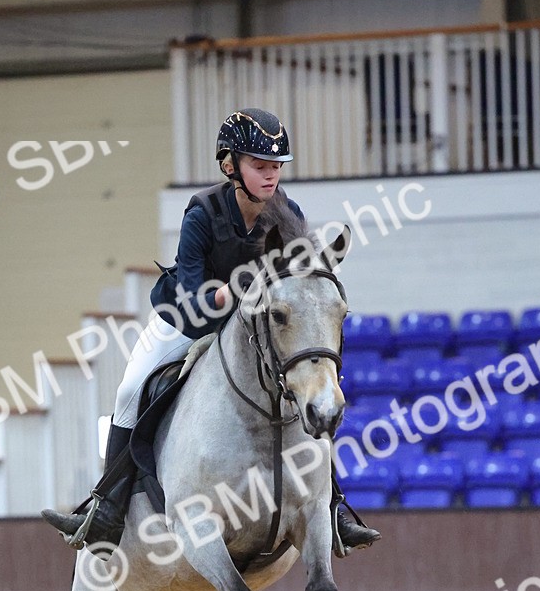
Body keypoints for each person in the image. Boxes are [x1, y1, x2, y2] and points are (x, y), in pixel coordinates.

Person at [43, 108, 380, 556]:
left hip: (249, 327)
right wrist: (236, 291)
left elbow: (296, 280)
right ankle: (108, 506)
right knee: (130, 388)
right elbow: (189, 293)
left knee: (312, 389)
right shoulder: (201, 211)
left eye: (276, 167)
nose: (270, 176)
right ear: (230, 165)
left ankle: (332, 506)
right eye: (260, 166)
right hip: (185, 320)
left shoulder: (288, 212)